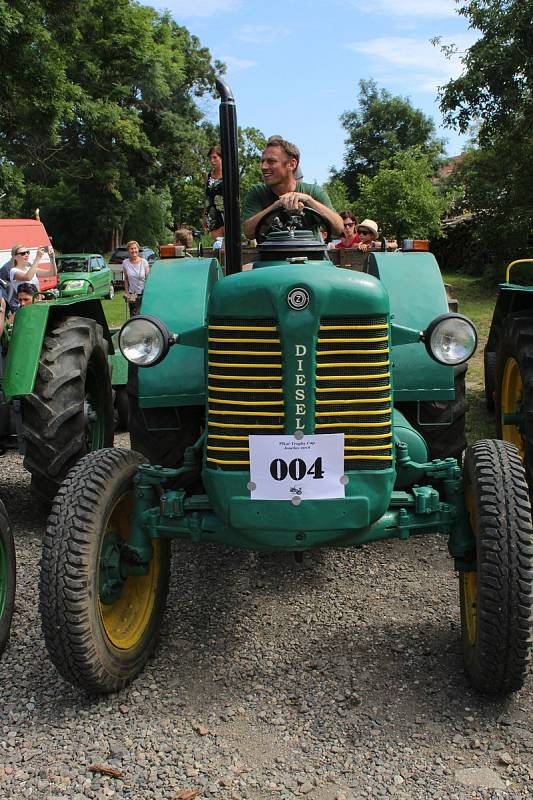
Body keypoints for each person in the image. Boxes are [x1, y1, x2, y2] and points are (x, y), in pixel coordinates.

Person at [243, 135, 343, 241]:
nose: (263, 167)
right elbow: (249, 233)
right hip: (272, 256)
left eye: (271, 161)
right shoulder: (257, 192)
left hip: (311, 256)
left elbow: (339, 229)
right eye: (262, 161)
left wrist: (308, 200)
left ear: (292, 164)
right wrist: (277, 205)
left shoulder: (314, 192)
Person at [122, 240, 150, 317]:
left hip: (143, 294)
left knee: (141, 315)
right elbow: (126, 279)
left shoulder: (144, 262)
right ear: (128, 250)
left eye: (135, 248)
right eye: (131, 249)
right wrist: (127, 292)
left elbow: (148, 279)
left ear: (138, 249)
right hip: (133, 294)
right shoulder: (125, 263)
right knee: (133, 315)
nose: (134, 250)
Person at [204, 144, 224, 241]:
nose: (212, 161)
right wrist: (204, 216)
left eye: (215, 157)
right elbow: (207, 197)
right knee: (218, 244)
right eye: (210, 158)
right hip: (212, 215)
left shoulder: (228, 174)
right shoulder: (209, 176)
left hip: (226, 213)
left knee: (228, 245)